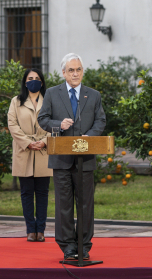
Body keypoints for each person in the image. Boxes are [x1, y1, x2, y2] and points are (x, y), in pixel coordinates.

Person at [38, 53, 106, 261]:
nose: (75, 73)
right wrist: (59, 125)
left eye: (78, 70)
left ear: (82, 71)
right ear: (63, 72)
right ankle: (67, 246)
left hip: (85, 159)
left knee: (85, 204)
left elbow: (100, 121)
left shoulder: (93, 95)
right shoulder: (51, 93)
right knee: (64, 204)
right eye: (71, 70)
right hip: (61, 159)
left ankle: (83, 245)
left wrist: (90, 136)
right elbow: (43, 119)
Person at [7, 68, 53, 242]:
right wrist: (27, 142)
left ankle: (40, 230)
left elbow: (55, 125)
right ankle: (30, 230)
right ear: (25, 82)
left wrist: (44, 141)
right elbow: (12, 125)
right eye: (30, 78)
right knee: (26, 192)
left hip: (43, 151)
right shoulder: (16, 101)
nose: (33, 81)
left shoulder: (49, 101)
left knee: (42, 192)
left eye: (37, 78)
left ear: (41, 82)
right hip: (24, 150)